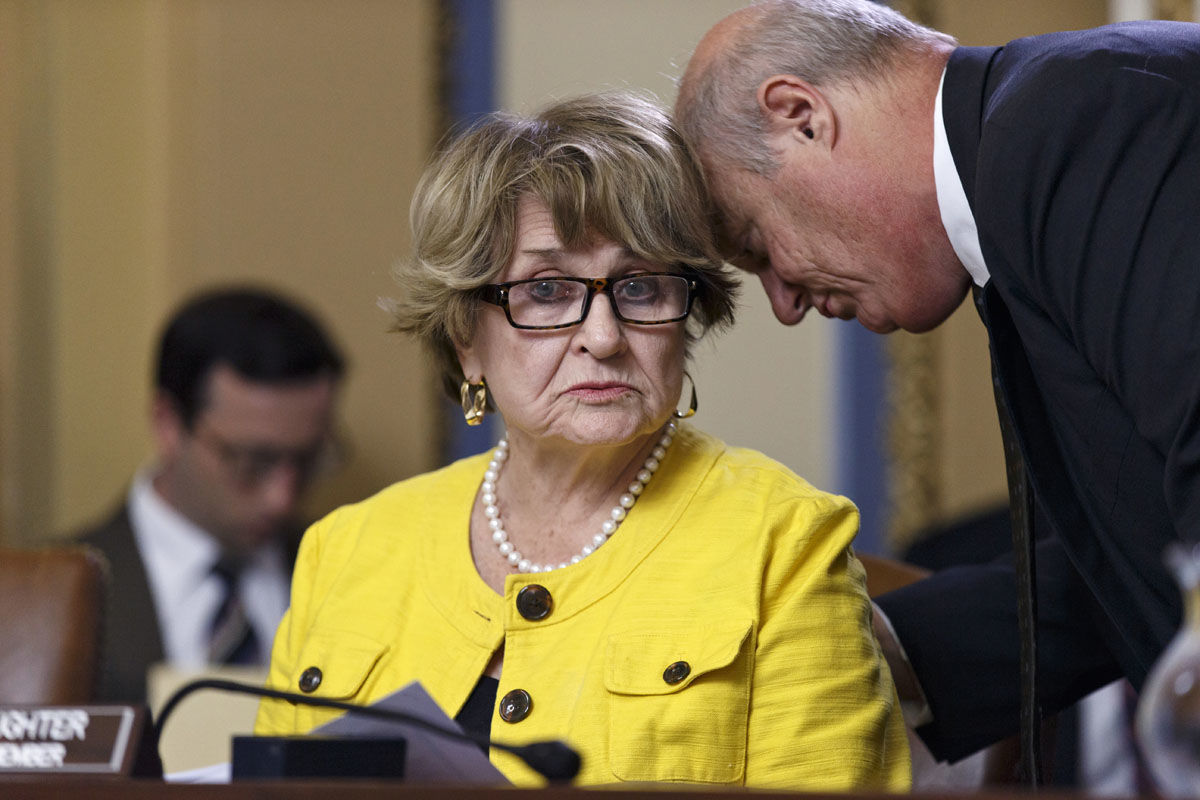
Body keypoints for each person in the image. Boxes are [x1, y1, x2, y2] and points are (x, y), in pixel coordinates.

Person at [253, 92, 910, 790]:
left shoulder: (785, 542)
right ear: (465, 339)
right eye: (546, 291)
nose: (602, 337)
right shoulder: (346, 550)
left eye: (643, 287)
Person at [676, 0, 1200, 771]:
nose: (784, 303)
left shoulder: (1077, 124)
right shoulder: (1037, 140)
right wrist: (841, 654)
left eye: (755, 245)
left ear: (800, 117)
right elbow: (1139, 552)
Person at [74, 287, 345, 703]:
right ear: (168, 424)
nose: (282, 498)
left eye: (308, 460)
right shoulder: (54, 590)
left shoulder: (350, 575)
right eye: (251, 462)